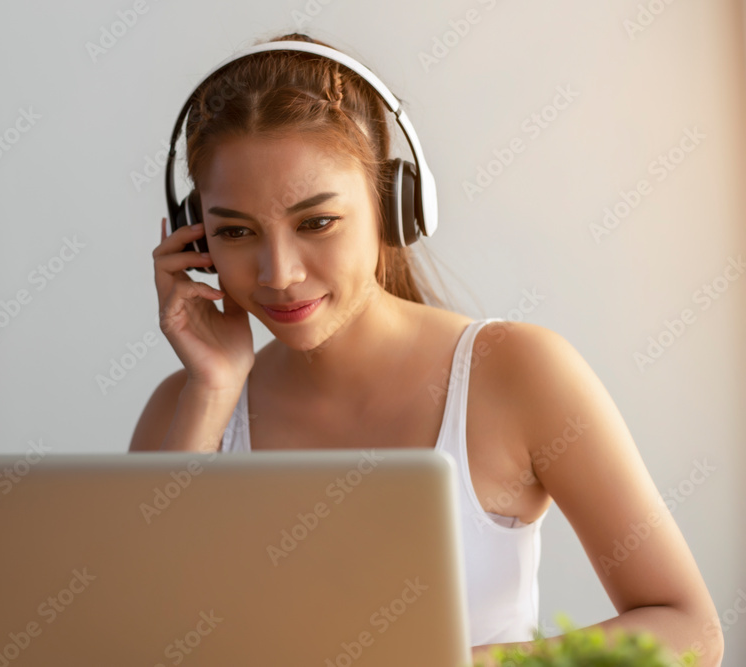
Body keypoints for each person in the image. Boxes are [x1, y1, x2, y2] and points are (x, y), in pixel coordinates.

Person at [128, 31, 722, 665]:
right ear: (197, 240)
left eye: (316, 222)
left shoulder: (518, 374)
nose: (280, 273)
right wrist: (212, 394)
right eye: (236, 232)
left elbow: (690, 631)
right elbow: (130, 641)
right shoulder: (183, 410)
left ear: (395, 207)